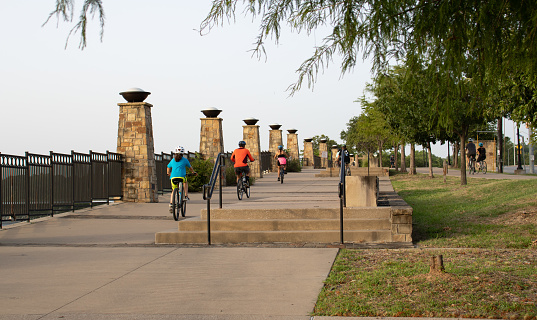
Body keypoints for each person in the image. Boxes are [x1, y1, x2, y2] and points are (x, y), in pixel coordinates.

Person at [167, 146, 196, 213]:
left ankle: (171, 204)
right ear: (183, 154)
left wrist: (168, 173)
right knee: (185, 182)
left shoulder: (173, 160)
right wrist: (193, 172)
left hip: (173, 177)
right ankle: (186, 195)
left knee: (173, 190)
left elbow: (168, 167)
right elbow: (190, 168)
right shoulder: (185, 160)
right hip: (182, 177)